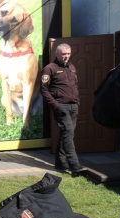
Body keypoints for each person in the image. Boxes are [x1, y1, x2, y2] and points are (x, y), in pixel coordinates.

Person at [40, 43, 86, 173]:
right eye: (63, 54)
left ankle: (60, 163)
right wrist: (55, 105)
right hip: (61, 106)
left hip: (73, 105)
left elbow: (75, 85)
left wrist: (77, 101)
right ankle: (74, 165)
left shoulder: (71, 67)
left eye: (68, 54)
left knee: (66, 135)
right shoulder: (50, 69)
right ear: (57, 54)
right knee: (68, 134)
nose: (66, 56)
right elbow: (44, 90)